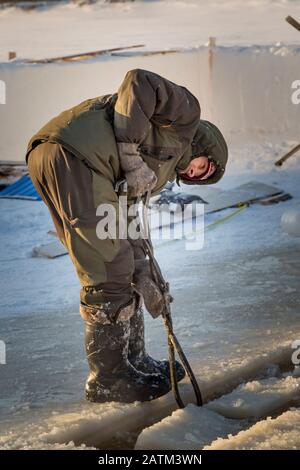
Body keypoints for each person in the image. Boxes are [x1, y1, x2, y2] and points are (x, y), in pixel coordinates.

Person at [26, 69, 228, 404]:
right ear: (207, 146)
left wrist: (148, 272)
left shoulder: (157, 171)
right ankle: (108, 380)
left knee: (124, 263)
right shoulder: (186, 116)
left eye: (199, 178)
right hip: (76, 155)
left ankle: (134, 362)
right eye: (204, 167)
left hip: (67, 158)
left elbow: (129, 220)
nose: (194, 174)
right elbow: (139, 81)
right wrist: (130, 155)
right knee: (107, 269)